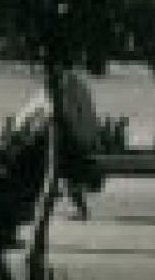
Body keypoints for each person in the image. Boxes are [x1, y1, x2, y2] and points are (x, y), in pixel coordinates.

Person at [10, 65, 102, 219]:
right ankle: (76, 208)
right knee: (52, 162)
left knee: (46, 163)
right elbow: (29, 113)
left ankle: (41, 206)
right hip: (69, 144)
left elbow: (80, 118)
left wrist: (20, 128)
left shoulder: (68, 89)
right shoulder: (61, 87)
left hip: (71, 144)